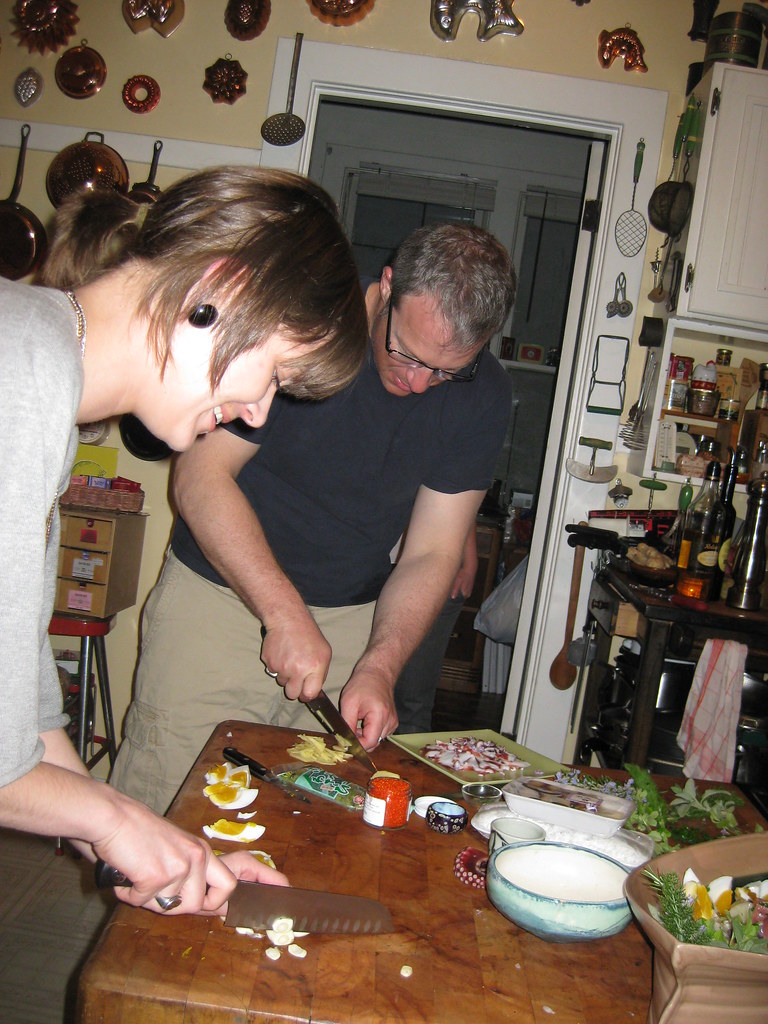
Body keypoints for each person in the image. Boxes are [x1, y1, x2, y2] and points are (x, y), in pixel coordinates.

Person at [0, 166, 367, 916]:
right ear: (222, 291)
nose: (260, 414)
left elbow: (29, 725)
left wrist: (167, 850)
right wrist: (117, 823)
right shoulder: (20, 374)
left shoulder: (44, 374)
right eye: (273, 373)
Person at [110, 223, 516, 814]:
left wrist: (380, 666)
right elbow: (200, 478)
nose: (421, 384)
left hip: (353, 625)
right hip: (218, 607)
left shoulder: (484, 397)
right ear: (386, 286)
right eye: (407, 353)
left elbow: (432, 550)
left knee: (311, 830)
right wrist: (283, 612)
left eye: (448, 371)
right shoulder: (300, 329)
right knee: (169, 814)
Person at [393, 526, 478, 733]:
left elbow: (460, 496)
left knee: (412, 702)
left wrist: (470, 563)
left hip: (430, 569)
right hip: (367, 568)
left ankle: (407, 764)